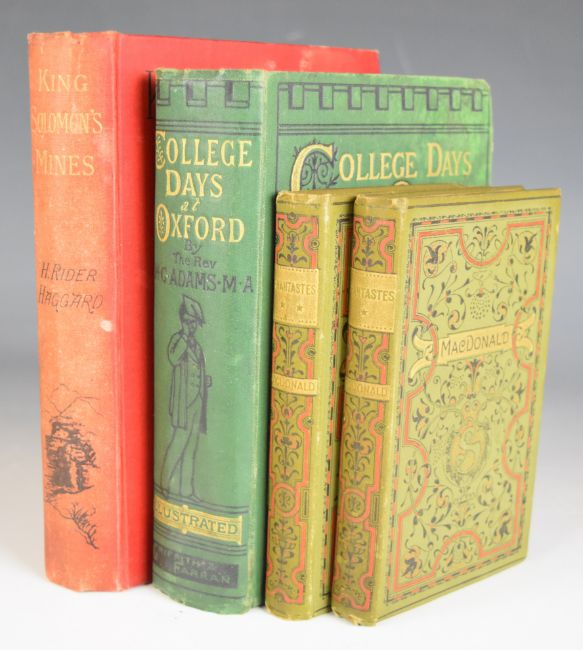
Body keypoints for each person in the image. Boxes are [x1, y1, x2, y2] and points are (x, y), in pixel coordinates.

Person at [159, 295, 211, 499]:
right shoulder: (177, 340)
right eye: (189, 322)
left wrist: (204, 381)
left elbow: (196, 368)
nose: (192, 326)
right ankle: (165, 486)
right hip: (184, 402)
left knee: (191, 446)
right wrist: (183, 337)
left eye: (194, 322)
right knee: (178, 443)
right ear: (182, 321)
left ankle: (186, 491)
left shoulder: (197, 345)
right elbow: (172, 358)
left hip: (197, 400)